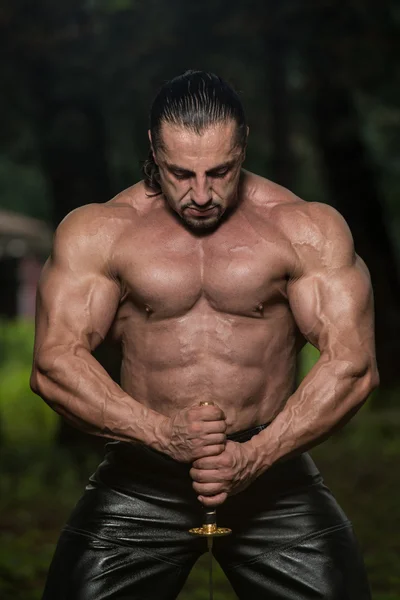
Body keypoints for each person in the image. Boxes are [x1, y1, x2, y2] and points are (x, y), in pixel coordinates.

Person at [31, 70, 379, 600]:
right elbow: (55, 364)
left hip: (272, 474)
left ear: (244, 146)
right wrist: (163, 435)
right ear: (152, 148)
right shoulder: (100, 231)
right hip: (142, 476)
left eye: (220, 171)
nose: (200, 195)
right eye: (179, 173)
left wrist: (254, 457)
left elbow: (352, 365)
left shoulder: (305, 229)